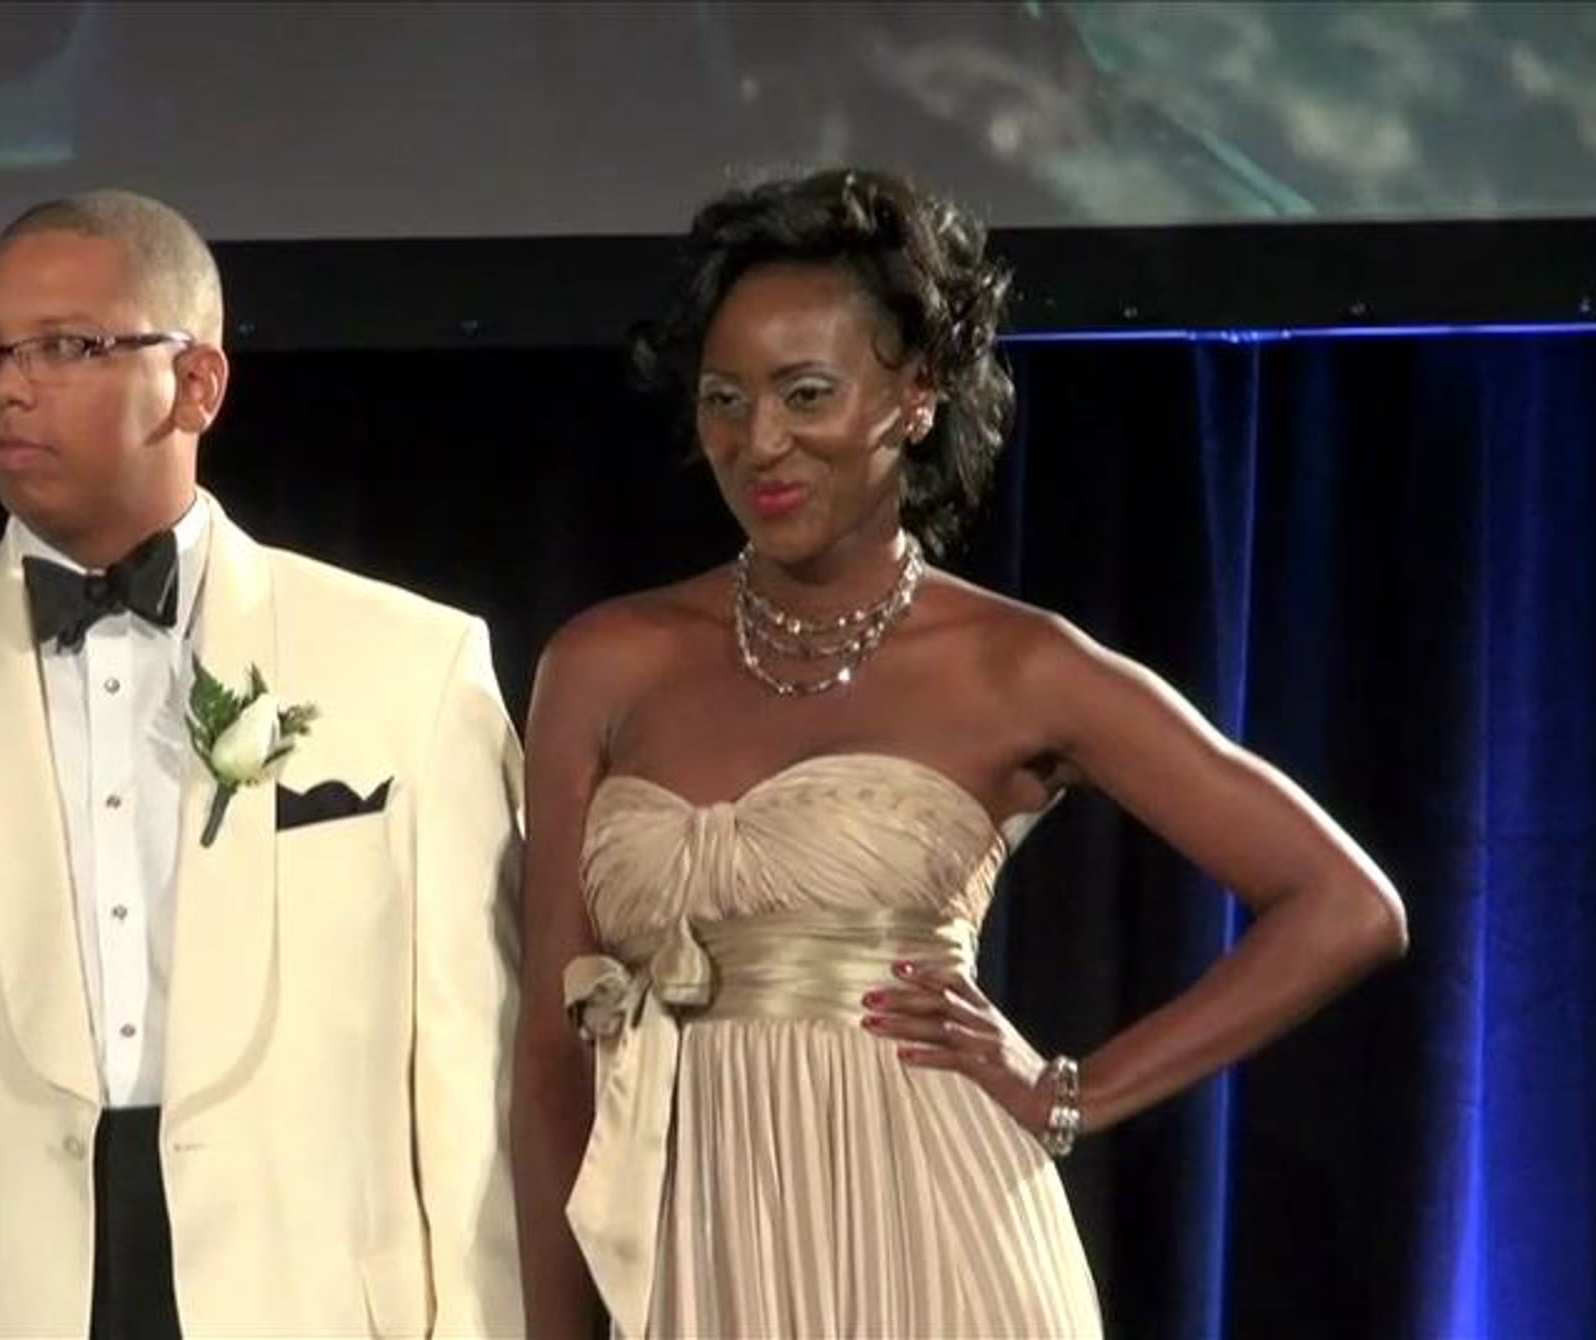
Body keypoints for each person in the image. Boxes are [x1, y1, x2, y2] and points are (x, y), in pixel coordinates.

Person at [509, 167, 1409, 1339]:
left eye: (807, 392)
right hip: (694, 1261)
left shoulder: (1014, 666)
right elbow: (550, 1053)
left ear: (917, 397)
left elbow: (1345, 904)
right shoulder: (604, 661)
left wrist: (1072, 1091)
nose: (758, 441)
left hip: (942, 1246)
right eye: (724, 398)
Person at [0, 190, 525, 1338]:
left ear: (197, 383)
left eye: (65, 346)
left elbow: (473, 1085)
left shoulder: (412, 663)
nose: (7, 387)